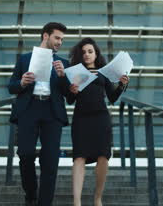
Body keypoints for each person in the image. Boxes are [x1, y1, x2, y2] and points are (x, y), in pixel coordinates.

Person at [7, 22, 70, 206]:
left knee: (50, 160)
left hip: (52, 112)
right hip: (29, 109)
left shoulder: (64, 64)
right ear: (45, 36)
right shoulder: (25, 59)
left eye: (62, 39)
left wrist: (62, 76)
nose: (60, 42)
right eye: (57, 38)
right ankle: (31, 192)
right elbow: (11, 86)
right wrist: (22, 83)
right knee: (25, 153)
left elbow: (70, 94)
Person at [67, 38, 129, 206]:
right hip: (81, 119)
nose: (86, 55)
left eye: (90, 51)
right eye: (84, 52)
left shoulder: (103, 73)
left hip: (101, 119)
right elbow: (70, 100)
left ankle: (97, 198)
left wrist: (122, 85)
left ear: (96, 54)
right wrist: (72, 90)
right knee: (79, 157)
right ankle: (77, 201)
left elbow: (112, 97)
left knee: (103, 157)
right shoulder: (75, 72)